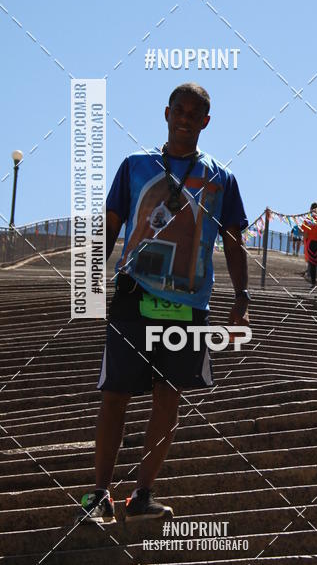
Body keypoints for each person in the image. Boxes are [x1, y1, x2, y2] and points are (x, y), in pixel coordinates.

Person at [76, 83, 249, 524]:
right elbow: (112, 223)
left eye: (196, 113)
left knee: (168, 397)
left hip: (189, 305)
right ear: (167, 113)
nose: (186, 118)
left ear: (206, 122)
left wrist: (242, 294)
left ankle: (142, 494)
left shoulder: (220, 178)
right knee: (114, 393)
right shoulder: (136, 166)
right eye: (180, 110)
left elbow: (232, 239)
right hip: (135, 295)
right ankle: (99, 495)